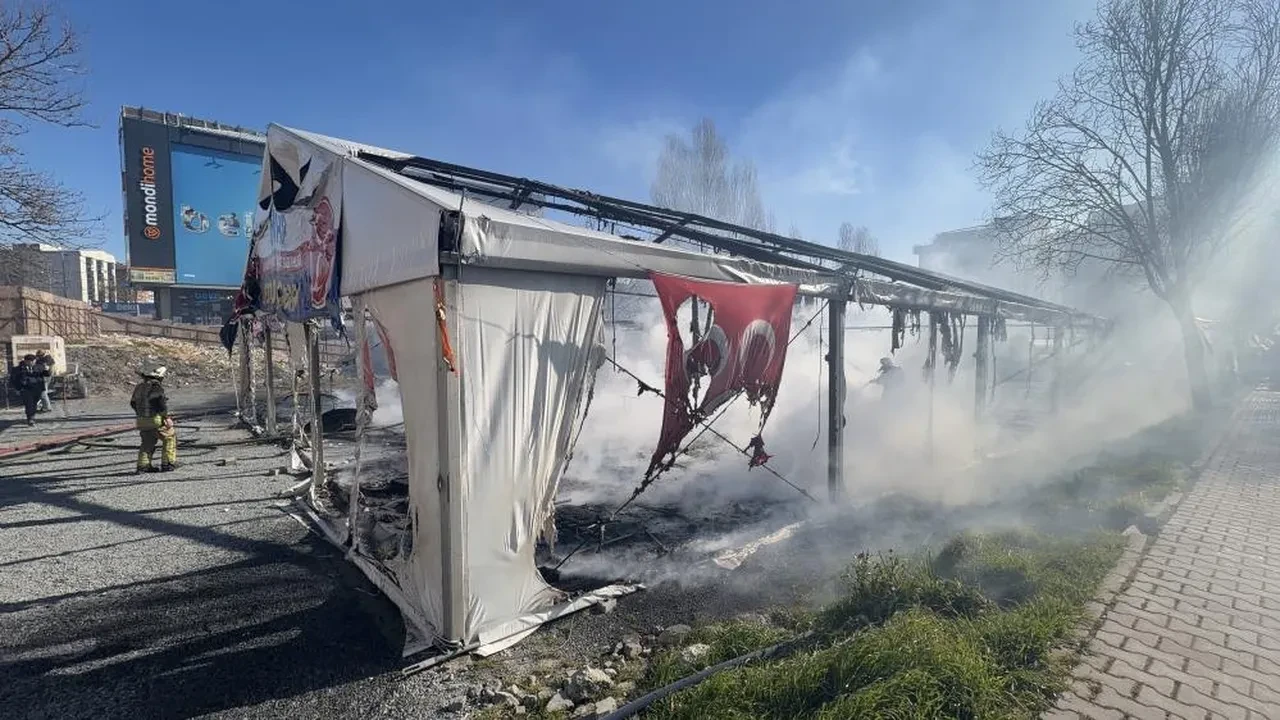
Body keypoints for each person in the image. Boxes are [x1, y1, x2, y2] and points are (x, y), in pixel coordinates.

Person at [130, 364, 177, 473]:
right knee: (169, 437)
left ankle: (143, 466)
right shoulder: (156, 387)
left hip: (141, 420)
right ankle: (168, 464)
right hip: (155, 420)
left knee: (147, 442)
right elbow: (160, 405)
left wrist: (141, 413)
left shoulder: (139, 387)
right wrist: (167, 417)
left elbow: (132, 403)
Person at [9, 354, 50, 426]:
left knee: (34, 404)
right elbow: (13, 379)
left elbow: (46, 374)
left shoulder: (39, 367)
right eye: (31, 361)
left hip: (37, 389)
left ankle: (32, 416)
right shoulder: (18, 369)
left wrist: (47, 370)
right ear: (26, 361)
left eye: (34, 361)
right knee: (28, 404)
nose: (33, 363)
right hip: (25, 389)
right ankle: (30, 419)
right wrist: (17, 388)